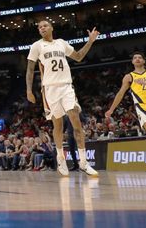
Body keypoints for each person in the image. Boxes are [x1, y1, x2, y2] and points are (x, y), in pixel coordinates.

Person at [25, 20, 99, 177]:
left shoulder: (61, 43)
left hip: (66, 87)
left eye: (45, 25)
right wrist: (29, 90)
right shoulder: (36, 46)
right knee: (57, 125)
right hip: (50, 89)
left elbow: (78, 57)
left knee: (76, 122)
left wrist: (90, 41)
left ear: (52, 28)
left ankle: (84, 163)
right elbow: (30, 70)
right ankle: (61, 159)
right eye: (39, 27)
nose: (42, 28)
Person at [105, 51, 146, 173]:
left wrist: (145, 83)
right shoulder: (129, 76)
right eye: (135, 58)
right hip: (142, 106)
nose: (137, 59)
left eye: (140, 57)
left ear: (144, 61)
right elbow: (120, 93)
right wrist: (111, 109)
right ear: (132, 62)